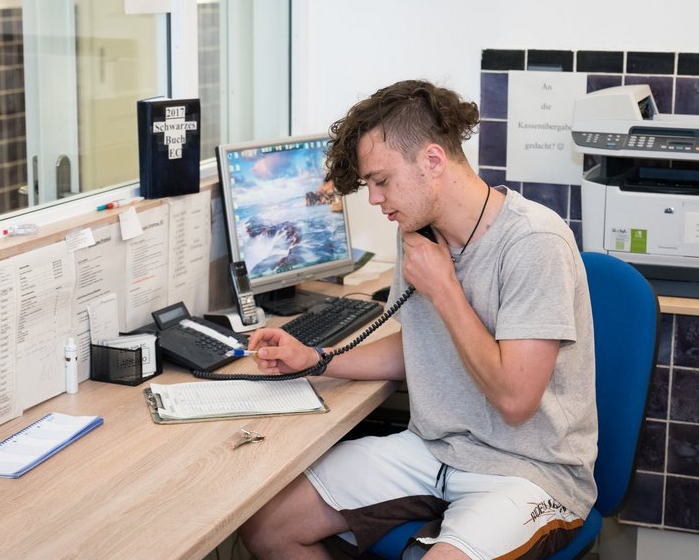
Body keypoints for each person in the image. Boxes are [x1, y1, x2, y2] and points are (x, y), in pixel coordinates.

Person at [239, 79, 597, 560]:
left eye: (381, 181)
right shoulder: (417, 233)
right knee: (267, 526)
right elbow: (419, 348)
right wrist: (318, 359)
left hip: (528, 472)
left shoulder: (535, 243)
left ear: (432, 161)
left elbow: (516, 400)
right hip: (433, 451)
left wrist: (445, 289)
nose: (373, 199)